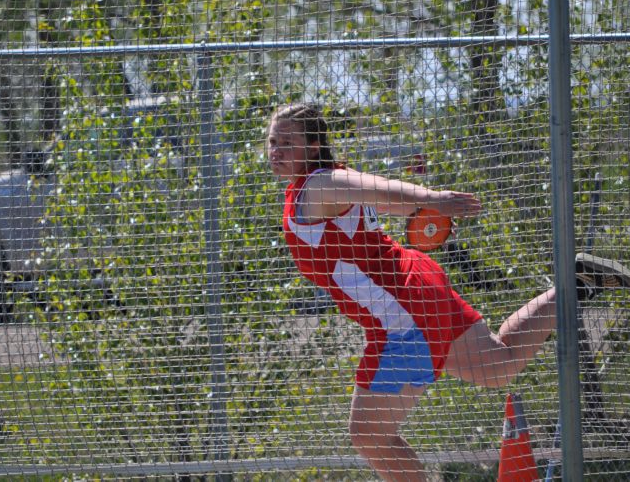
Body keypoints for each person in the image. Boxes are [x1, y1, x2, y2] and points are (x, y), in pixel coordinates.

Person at [267, 103, 630, 482]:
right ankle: (574, 286)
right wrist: (429, 201)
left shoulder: (318, 186)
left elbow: (380, 190)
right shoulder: (312, 186)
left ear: (312, 146)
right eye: (273, 142)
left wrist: (434, 199)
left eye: (287, 143)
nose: (276, 151)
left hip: (403, 314)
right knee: (499, 364)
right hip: (417, 286)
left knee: (368, 434)